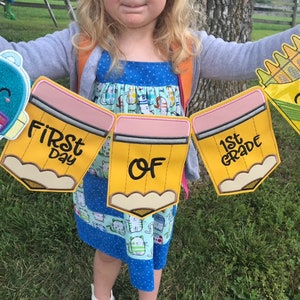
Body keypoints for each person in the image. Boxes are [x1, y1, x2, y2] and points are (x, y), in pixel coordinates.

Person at [0, 1, 299, 299]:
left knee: (155, 248)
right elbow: (13, 59)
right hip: (101, 182)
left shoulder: (188, 47)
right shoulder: (81, 43)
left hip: (159, 184)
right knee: (107, 250)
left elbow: (249, 58)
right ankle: (101, 293)